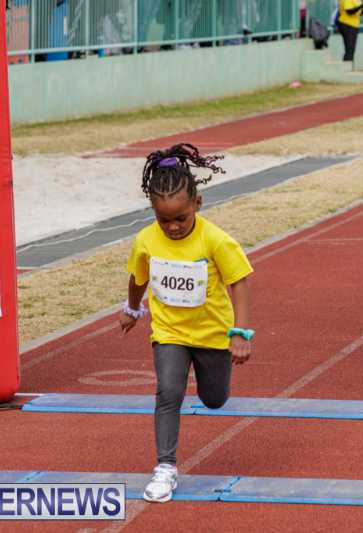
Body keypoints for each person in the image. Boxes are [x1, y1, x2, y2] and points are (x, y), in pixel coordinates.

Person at [118, 143, 254, 503]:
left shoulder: (215, 240)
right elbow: (139, 276)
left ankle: (212, 383)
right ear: (153, 212)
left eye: (180, 218)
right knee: (168, 392)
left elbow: (238, 281)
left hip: (212, 334)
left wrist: (239, 333)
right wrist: (132, 309)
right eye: (164, 220)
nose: (173, 227)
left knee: (214, 399)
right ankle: (165, 467)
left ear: (197, 204)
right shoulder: (146, 240)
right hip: (169, 332)